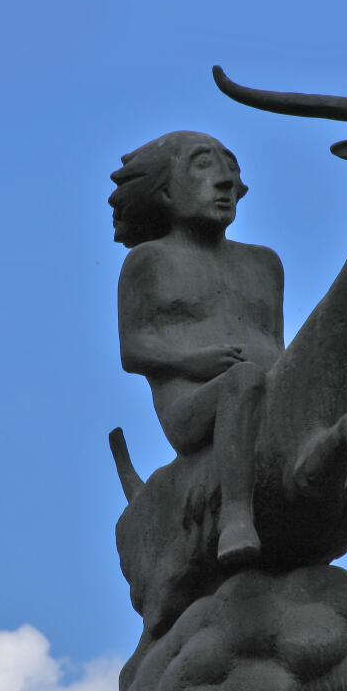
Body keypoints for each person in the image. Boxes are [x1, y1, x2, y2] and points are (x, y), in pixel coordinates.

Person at [111, 131, 282, 568]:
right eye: (204, 164)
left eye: (231, 167)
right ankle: (236, 517)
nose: (225, 180)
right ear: (166, 192)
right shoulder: (149, 261)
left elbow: (277, 345)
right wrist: (192, 361)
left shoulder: (264, 263)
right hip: (193, 405)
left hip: (271, 393)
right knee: (242, 380)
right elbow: (133, 349)